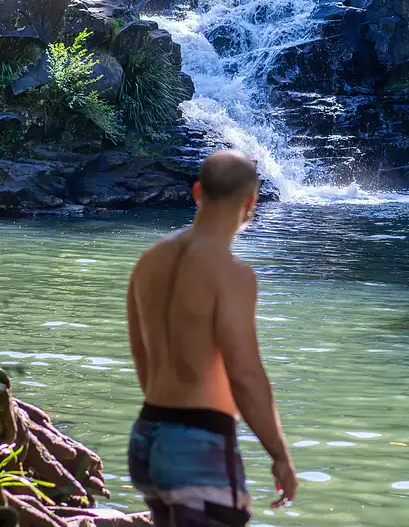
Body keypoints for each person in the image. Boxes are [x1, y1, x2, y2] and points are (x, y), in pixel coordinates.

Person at [126, 150, 298, 527]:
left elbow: (142, 359)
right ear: (251, 203)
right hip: (198, 446)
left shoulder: (148, 262)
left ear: (197, 192)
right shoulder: (232, 274)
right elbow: (245, 376)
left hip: (148, 437)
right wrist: (280, 455)